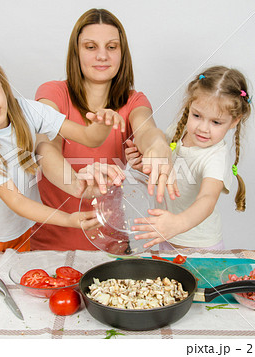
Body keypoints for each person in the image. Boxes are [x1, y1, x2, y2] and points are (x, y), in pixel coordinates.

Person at [0, 41, 125, 253]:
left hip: (22, 231)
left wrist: (104, 123)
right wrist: (68, 219)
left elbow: (88, 137)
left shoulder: (27, 110)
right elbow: (16, 201)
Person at [31, 8, 177, 251]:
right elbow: (45, 146)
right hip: (50, 248)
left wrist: (158, 145)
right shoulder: (53, 92)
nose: (102, 56)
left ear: (122, 54)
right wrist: (78, 184)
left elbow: (147, 130)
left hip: (111, 249)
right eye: (90, 47)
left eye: (111, 47)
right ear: (76, 53)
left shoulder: (134, 101)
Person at [129, 66, 252, 249]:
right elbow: (169, 177)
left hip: (200, 247)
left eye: (215, 122)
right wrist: (145, 167)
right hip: (167, 237)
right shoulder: (177, 133)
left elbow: (207, 199)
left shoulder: (215, 158)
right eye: (197, 115)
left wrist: (177, 224)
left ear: (234, 121)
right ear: (189, 106)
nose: (203, 128)